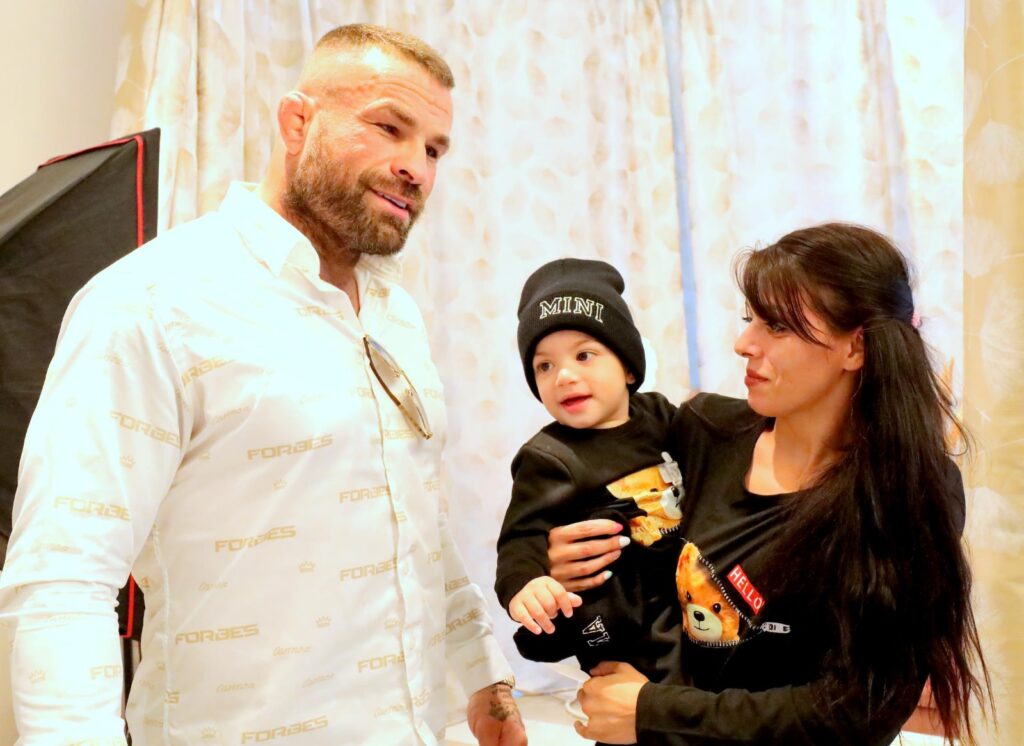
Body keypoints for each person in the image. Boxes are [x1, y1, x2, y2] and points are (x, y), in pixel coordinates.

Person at [0, 24, 525, 745]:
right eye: (388, 128)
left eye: (434, 149)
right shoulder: (152, 303)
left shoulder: (396, 314)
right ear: (297, 122)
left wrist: (482, 671)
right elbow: (63, 576)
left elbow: (415, 516)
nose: (416, 167)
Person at [546, 224, 990, 744]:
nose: (743, 344)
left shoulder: (906, 492)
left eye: (777, 326)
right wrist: (566, 573)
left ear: (855, 347)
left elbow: (861, 708)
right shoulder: (702, 433)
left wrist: (655, 712)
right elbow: (622, 594)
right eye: (749, 319)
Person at [494, 258, 683, 675]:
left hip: (687, 593)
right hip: (625, 621)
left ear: (629, 366)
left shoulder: (660, 416)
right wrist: (526, 584)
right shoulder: (549, 457)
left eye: (584, 355)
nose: (563, 376)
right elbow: (522, 537)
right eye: (544, 365)